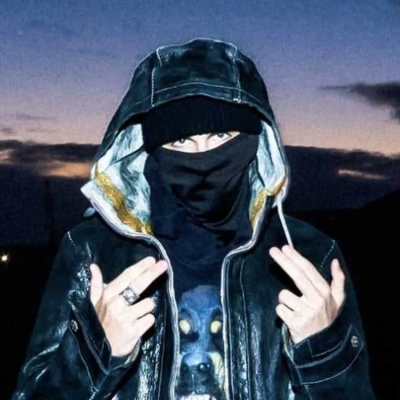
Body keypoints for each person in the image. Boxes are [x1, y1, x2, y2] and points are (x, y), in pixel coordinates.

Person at [12, 37, 376, 400]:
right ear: (152, 148)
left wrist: (323, 359)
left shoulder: (309, 256)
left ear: (253, 141)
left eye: (220, 134)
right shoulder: (91, 253)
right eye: (181, 142)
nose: (203, 157)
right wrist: (95, 355)